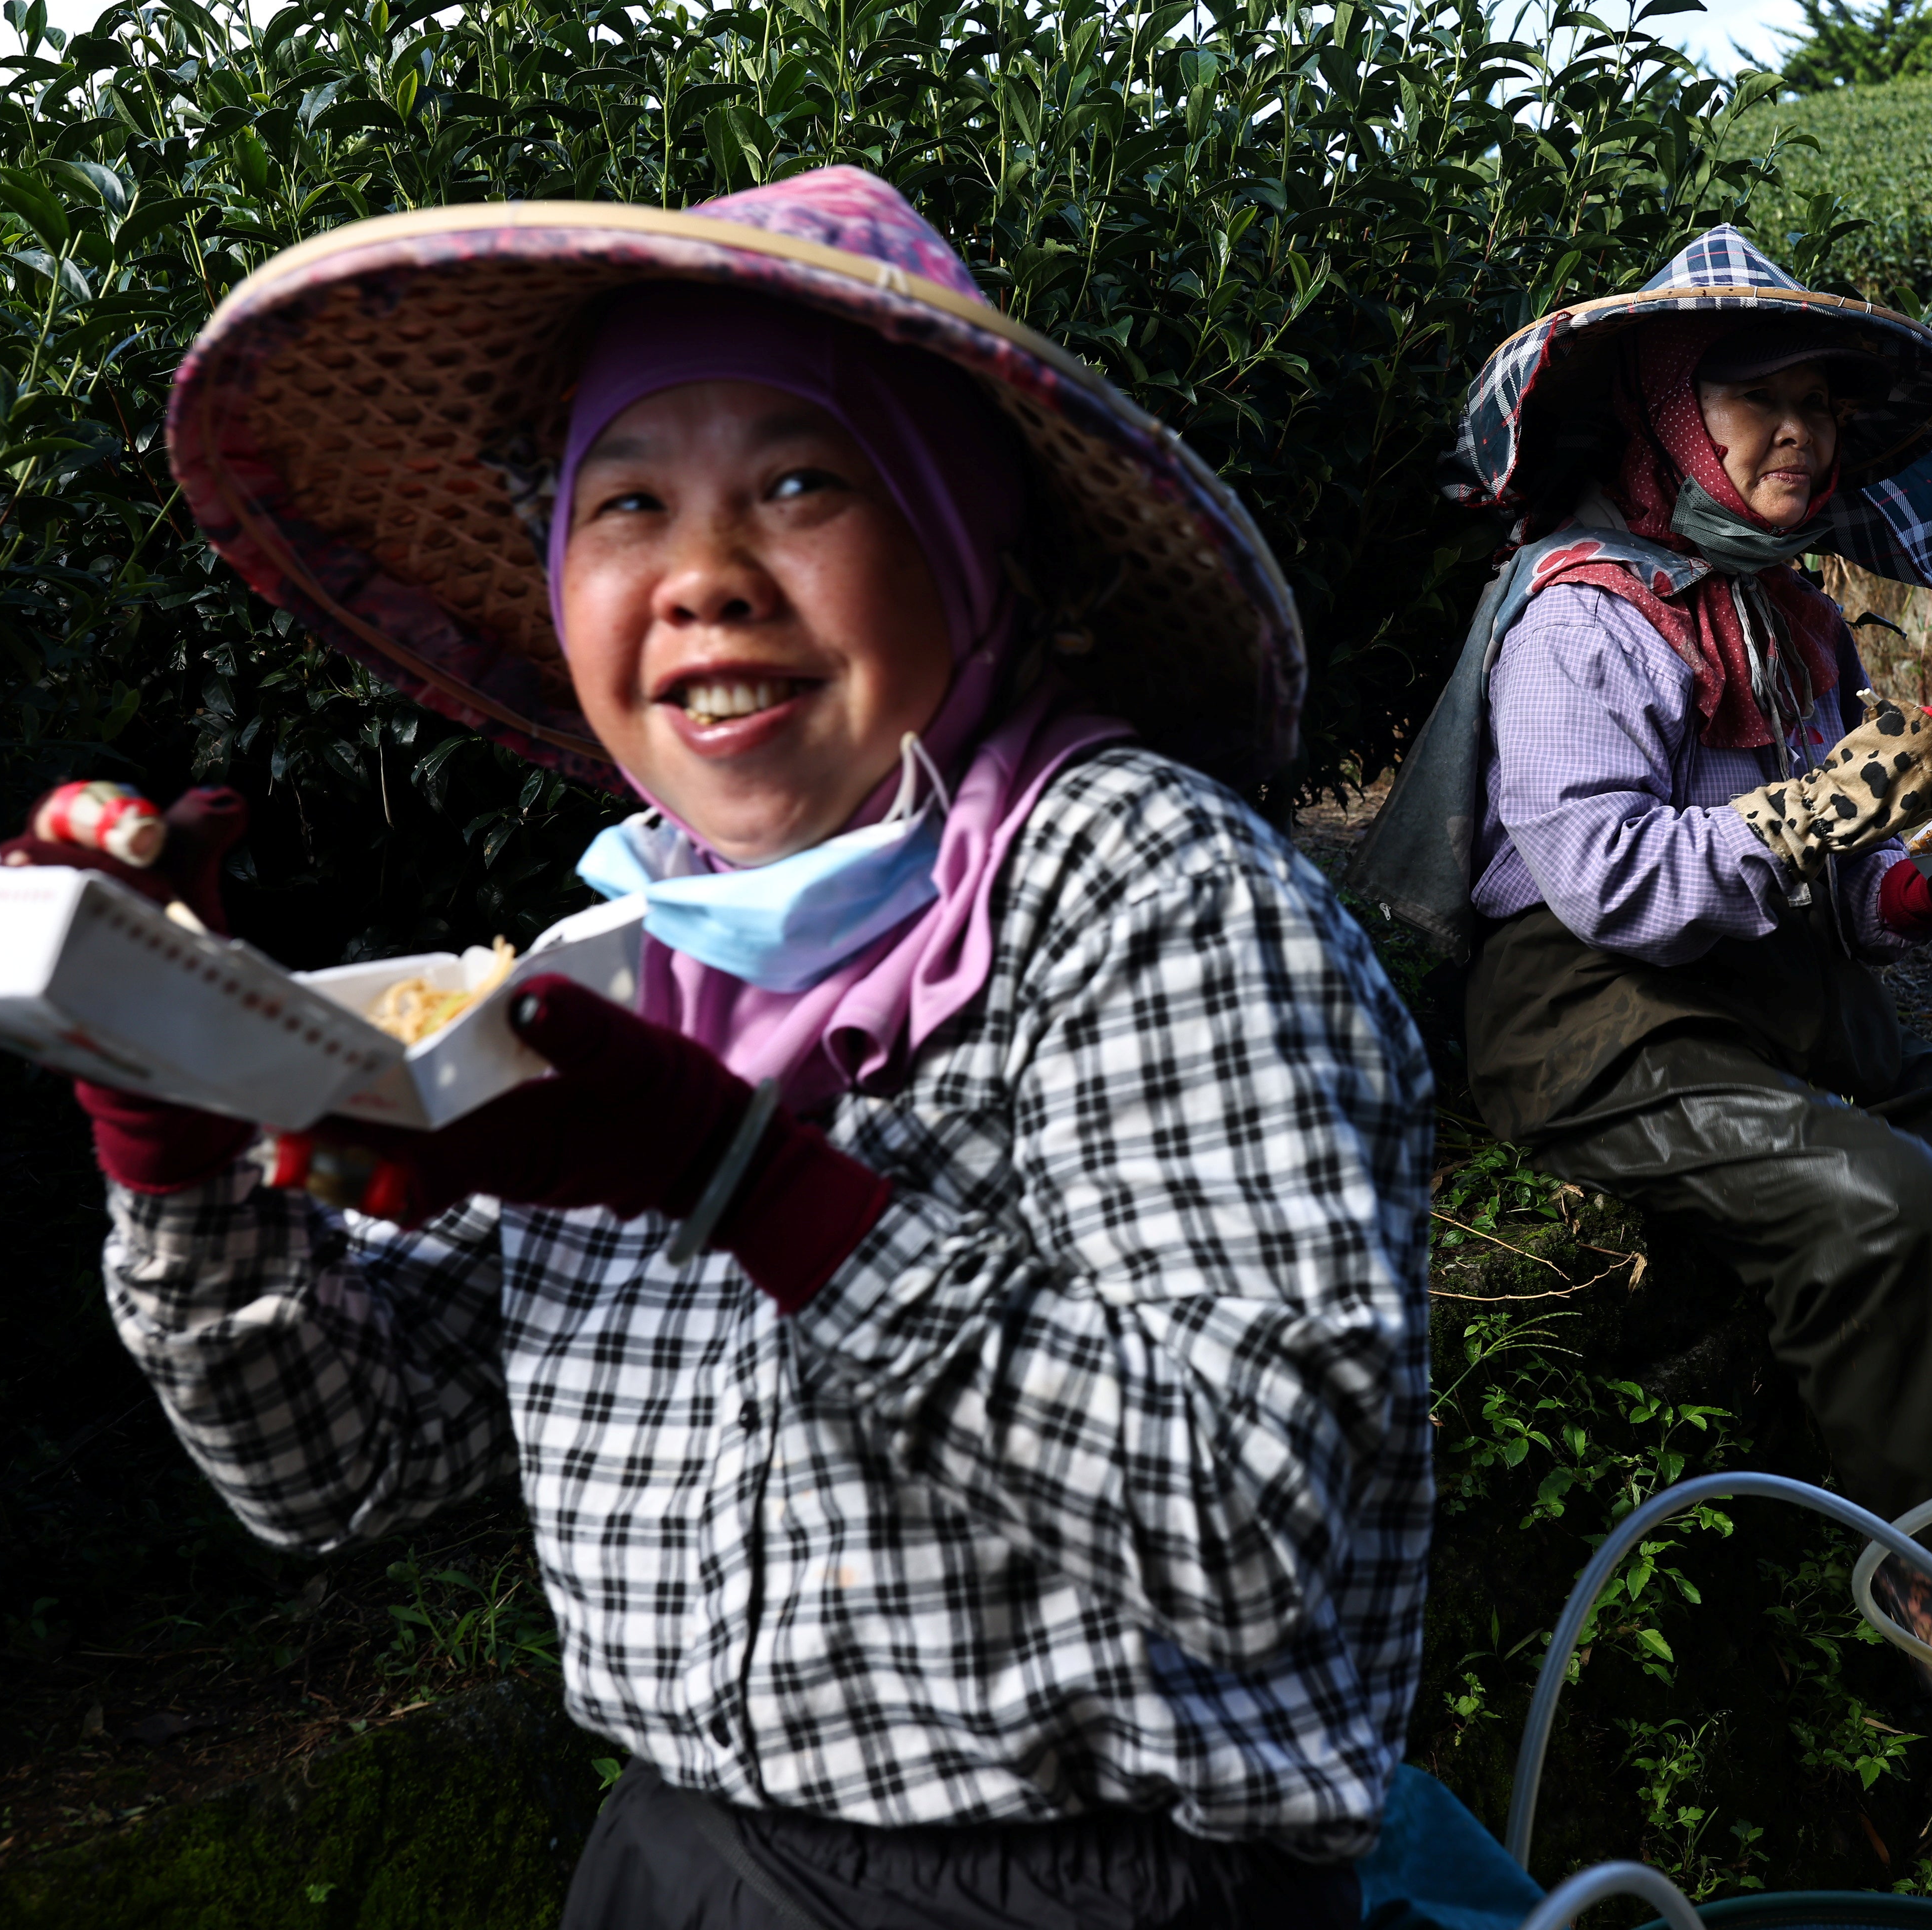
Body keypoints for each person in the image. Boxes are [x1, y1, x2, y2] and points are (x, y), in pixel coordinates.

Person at [78, 165, 1433, 1929]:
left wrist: (744, 1181)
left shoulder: (1142, 887)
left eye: (801, 484)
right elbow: (335, 1466)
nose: (704, 577)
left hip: (1096, 1894)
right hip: (685, 1865)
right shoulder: (620, 960)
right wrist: (181, 1134)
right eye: (625, 504)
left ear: (964, 542)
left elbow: (1255, 1527)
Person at [1353, 227, 1932, 1601]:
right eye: (1759, 400)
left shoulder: (1793, 621)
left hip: (1779, 998)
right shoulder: (1580, 620)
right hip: (1597, 1024)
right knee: (1883, 1211)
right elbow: (1607, 879)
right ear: (1672, 414)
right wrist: (1810, 812)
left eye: (1821, 405)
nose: (1801, 434)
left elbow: (1835, 888)